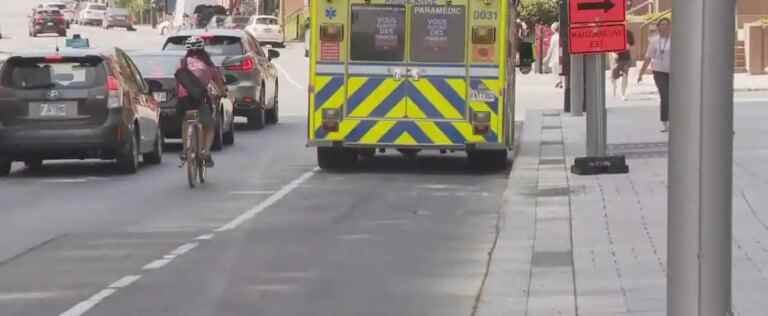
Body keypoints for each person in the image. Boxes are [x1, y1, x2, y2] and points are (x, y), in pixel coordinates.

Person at [176, 37, 227, 167]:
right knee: (209, 125)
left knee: (186, 121)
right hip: (200, 98)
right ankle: (205, 151)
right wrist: (223, 93)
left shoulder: (182, 63)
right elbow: (218, 82)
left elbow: (178, 81)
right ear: (203, 49)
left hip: (184, 98)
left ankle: (185, 149)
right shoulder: (208, 65)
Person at [638, 18, 671, 132]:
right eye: (662, 25)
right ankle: (665, 122)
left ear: (670, 27)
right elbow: (648, 57)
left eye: (666, 25)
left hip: (674, 72)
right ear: (658, 27)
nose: (664, 27)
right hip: (659, 72)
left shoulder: (676, 40)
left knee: (674, 97)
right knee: (665, 95)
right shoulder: (654, 41)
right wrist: (641, 73)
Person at [612, 29, 635, 100]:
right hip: (616, 57)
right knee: (614, 76)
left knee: (625, 75)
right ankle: (614, 87)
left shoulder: (629, 33)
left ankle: (623, 94)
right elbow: (609, 45)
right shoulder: (613, 32)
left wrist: (628, 46)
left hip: (626, 57)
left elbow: (632, 45)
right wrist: (613, 54)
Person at [544, 22, 562, 88]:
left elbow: (550, 48)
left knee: (555, 69)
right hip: (561, 55)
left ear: (554, 29)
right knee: (560, 69)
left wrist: (547, 57)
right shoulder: (561, 36)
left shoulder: (554, 37)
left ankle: (558, 81)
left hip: (555, 56)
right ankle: (560, 81)